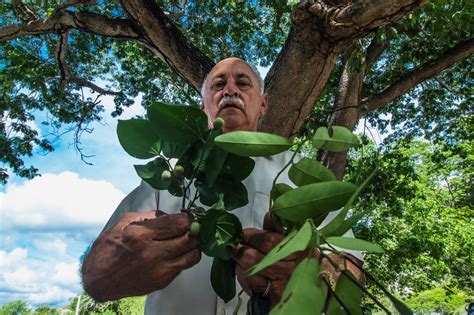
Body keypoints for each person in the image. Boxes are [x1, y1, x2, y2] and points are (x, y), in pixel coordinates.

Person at [81, 58, 363, 314]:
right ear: (203, 105)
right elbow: (98, 274)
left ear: (263, 104)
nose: (230, 90)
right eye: (218, 84)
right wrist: (105, 271)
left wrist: (316, 280)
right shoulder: (168, 177)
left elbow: (350, 268)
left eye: (242, 83)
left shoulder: (301, 172)